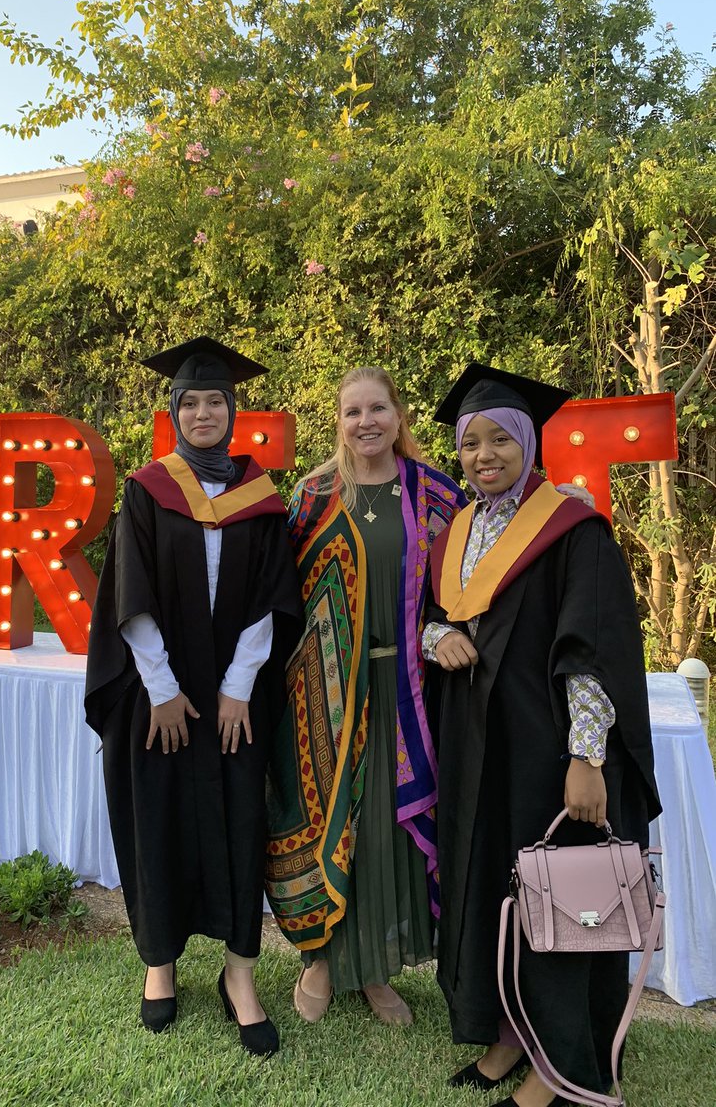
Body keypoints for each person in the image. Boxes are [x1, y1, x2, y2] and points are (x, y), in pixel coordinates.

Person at [423, 363, 661, 1107]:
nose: (484, 455)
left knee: (552, 904)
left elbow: (588, 649)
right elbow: (435, 616)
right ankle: (504, 1035)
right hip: (477, 751)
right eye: (471, 444)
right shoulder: (456, 531)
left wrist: (586, 758)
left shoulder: (572, 527)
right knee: (491, 887)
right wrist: (436, 637)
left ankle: (559, 1071)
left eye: (500, 440)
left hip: (545, 752)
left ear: (529, 444)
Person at [84, 336, 302, 1056]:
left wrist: (239, 687)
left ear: (233, 411)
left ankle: (240, 974)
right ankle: (160, 964)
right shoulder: (148, 490)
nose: (203, 411)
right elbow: (130, 594)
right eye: (191, 401)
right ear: (173, 412)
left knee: (242, 819)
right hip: (160, 694)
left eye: (215, 400)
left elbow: (273, 600)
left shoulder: (262, 499)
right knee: (159, 817)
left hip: (235, 697)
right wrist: (165, 690)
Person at [265, 366, 468, 1025]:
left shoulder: (436, 495)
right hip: (322, 695)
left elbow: (474, 576)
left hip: (406, 691)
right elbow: (271, 588)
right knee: (327, 824)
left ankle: (375, 970)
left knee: (385, 828)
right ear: (339, 421)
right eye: (352, 412)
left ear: (398, 414)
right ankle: (320, 963)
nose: (365, 423)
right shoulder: (315, 493)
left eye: (377, 408)